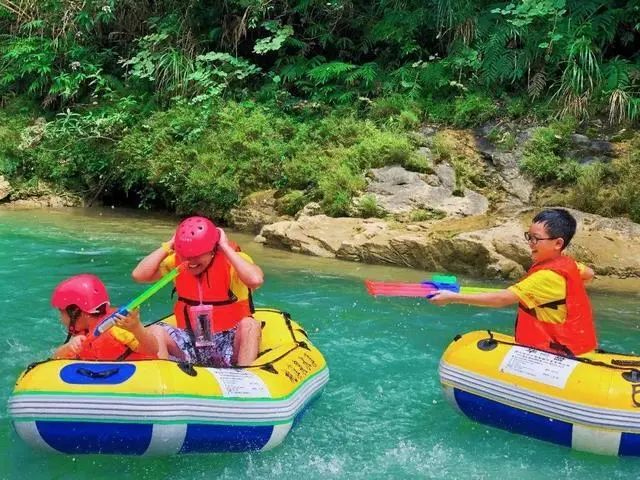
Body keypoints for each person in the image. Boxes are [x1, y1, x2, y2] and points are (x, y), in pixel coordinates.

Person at [429, 208, 597, 356]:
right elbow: (589, 274)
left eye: (536, 239)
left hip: (557, 350)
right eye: (529, 237)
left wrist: (452, 298)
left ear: (558, 243)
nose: (530, 244)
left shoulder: (547, 277)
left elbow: (501, 299)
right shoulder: (569, 264)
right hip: (577, 346)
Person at [131, 216, 264, 367]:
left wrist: (225, 246)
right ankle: (165, 381)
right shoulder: (177, 262)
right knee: (156, 330)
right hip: (191, 339)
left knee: (250, 326)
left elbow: (255, 279)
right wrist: (170, 244)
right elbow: (139, 275)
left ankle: (245, 380)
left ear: (213, 250)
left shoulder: (233, 262)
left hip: (228, 340)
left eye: (197, 256)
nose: (191, 262)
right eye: (186, 256)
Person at [51, 273, 195, 362]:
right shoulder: (80, 335)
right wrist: (68, 347)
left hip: (150, 369)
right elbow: (55, 358)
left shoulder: (116, 328)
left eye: (62, 312)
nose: (60, 318)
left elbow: (152, 350)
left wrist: (136, 328)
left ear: (77, 311)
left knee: (156, 331)